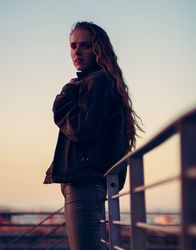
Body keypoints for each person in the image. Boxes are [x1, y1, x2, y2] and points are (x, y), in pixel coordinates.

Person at [44, 21, 142, 250]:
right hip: (84, 182)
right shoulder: (96, 81)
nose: (77, 51)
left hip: (85, 183)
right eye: (73, 45)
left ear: (98, 49)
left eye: (85, 45)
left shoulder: (97, 81)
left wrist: (64, 97)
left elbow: (80, 129)